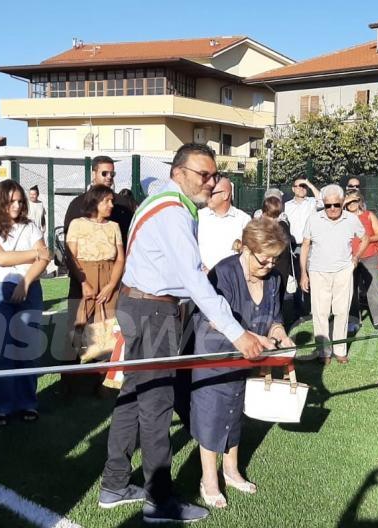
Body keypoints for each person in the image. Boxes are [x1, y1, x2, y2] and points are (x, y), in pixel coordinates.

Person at [99, 143, 272, 524]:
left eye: (214, 176)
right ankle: (159, 501)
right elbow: (192, 279)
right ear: (178, 173)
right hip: (154, 312)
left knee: (133, 394)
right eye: (202, 175)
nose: (210, 183)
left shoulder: (163, 195)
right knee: (155, 404)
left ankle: (114, 484)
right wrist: (238, 334)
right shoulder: (175, 212)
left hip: (137, 304)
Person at [192, 218, 293, 510]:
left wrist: (280, 335)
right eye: (265, 259)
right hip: (215, 352)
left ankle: (231, 471)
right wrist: (257, 338)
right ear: (247, 249)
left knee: (235, 410)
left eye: (275, 259)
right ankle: (209, 479)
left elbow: (275, 316)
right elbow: (213, 319)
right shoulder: (224, 272)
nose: (270, 265)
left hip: (248, 357)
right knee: (212, 412)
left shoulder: (273, 278)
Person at [0, 180, 49, 426]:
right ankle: (1, 408)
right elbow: (1, 258)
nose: (17, 205)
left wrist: (26, 281)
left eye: (20, 200)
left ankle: (27, 403)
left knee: (26, 349)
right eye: (11, 201)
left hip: (28, 289)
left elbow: (45, 258)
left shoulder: (31, 227)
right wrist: (35, 253)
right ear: (0, 202)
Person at [300, 184, 368, 364]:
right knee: (320, 313)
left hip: (343, 272)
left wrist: (356, 258)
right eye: (328, 205)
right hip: (317, 271)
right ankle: (323, 352)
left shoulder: (351, 219)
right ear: (323, 203)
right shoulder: (313, 219)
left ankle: (340, 350)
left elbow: (365, 238)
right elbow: (305, 245)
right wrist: (303, 274)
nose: (332, 209)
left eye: (336, 205)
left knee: (342, 312)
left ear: (341, 203)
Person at [65, 184, 125, 366]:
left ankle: (103, 377)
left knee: (108, 325)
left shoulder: (114, 226)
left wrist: (111, 285)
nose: (111, 205)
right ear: (95, 202)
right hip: (83, 277)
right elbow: (71, 255)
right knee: (79, 323)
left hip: (109, 277)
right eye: (106, 201)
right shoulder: (77, 224)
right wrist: (83, 283)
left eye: (112, 201)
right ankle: (73, 378)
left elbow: (120, 259)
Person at [344, 193, 378, 333]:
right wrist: (343, 202)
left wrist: (365, 239)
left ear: (361, 201)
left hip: (369, 256)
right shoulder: (343, 217)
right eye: (349, 201)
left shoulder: (369, 215)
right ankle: (353, 321)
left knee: (373, 288)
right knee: (350, 290)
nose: (352, 204)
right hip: (349, 258)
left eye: (355, 200)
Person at [284, 177, 319, 323]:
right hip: (291, 246)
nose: (302, 188)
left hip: (309, 245)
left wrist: (309, 184)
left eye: (304, 186)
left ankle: (311, 309)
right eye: (299, 186)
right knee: (296, 278)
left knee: (311, 277)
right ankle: (299, 310)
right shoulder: (286, 205)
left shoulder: (311, 202)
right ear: (293, 188)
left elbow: (322, 199)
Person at [198, 175, 251, 272]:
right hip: (202, 280)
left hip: (230, 282)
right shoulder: (199, 217)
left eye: (211, 193)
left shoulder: (243, 220)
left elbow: (247, 254)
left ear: (225, 195)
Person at [260, 195, 293, 305]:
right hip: (263, 265)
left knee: (278, 296)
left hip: (280, 266)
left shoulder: (282, 226)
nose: (274, 220)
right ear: (263, 213)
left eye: (276, 216)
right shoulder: (258, 226)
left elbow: (284, 248)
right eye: (270, 216)